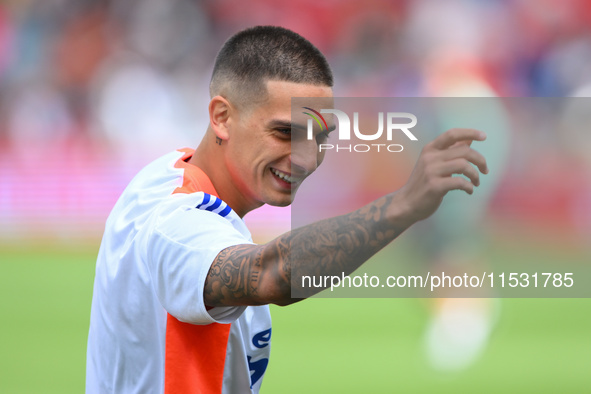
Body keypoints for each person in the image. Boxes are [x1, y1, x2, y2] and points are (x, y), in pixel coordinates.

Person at [86, 25, 489, 393]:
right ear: (221, 117)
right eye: (285, 132)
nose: (306, 158)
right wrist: (403, 205)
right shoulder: (176, 226)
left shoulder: (169, 176)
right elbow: (270, 274)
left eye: (320, 137)